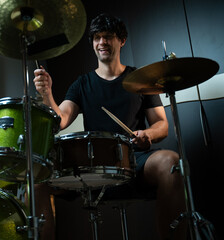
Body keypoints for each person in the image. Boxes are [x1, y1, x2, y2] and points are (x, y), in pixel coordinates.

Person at [33, 13, 186, 239]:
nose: (101, 42)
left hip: (135, 161)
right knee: (37, 180)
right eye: (96, 37)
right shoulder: (82, 84)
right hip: (93, 164)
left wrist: (147, 134)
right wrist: (46, 94)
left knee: (171, 162)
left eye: (108, 37)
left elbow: (161, 125)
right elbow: (61, 119)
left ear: (121, 40)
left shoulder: (140, 78)